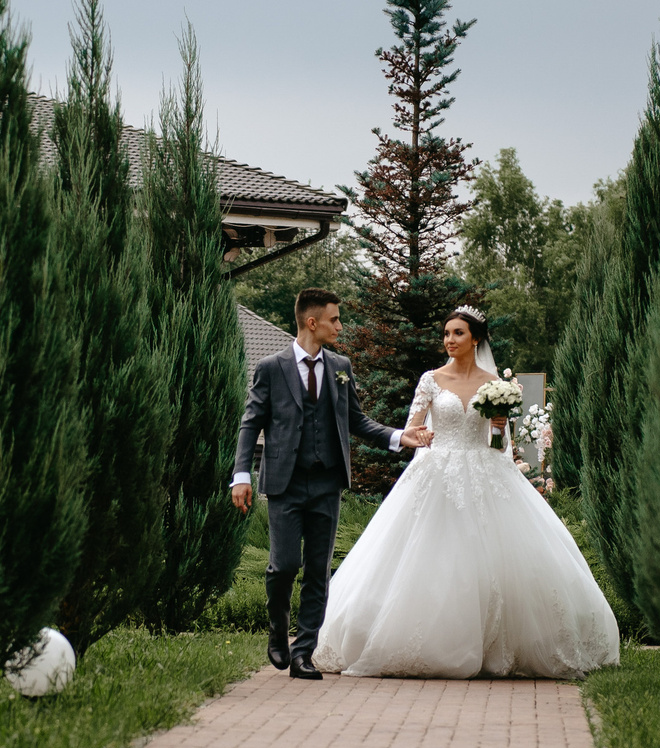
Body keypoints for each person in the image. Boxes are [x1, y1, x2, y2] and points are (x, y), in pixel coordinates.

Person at [313, 306, 619, 679]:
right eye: (446, 334)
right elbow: (413, 430)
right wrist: (421, 436)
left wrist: (498, 426)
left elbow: (499, 446)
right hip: (435, 473)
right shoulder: (430, 380)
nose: (449, 340)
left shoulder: (496, 385)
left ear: (475, 339)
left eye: (458, 333)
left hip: (485, 472)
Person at [232, 287, 430, 679]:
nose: (340, 326)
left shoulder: (341, 365)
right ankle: (277, 627)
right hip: (284, 482)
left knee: (318, 570)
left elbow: (355, 420)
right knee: (284, 565)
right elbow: (251, 421)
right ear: (312, 322)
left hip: (327, 482)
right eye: (334, 319)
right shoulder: (272, 367)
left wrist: (398, 437)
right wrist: (241, 475)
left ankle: (304, 651)